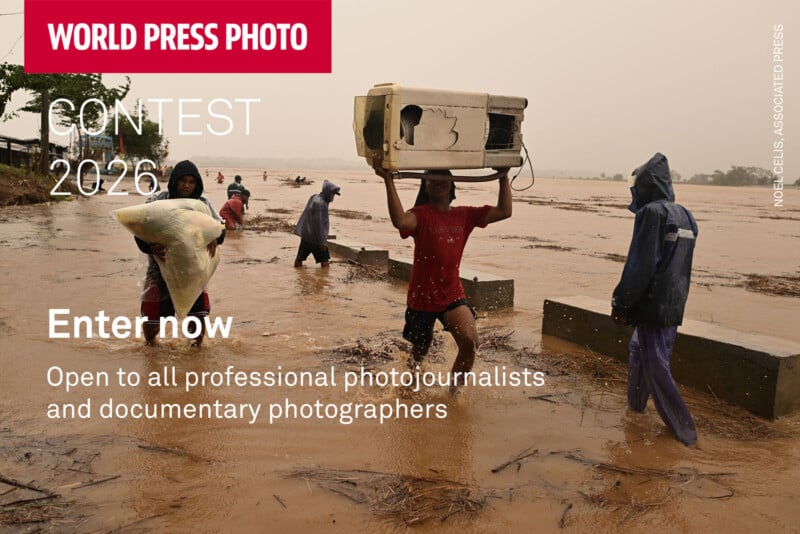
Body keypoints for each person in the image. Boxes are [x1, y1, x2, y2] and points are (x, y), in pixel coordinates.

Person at [372, 155, 512, 392]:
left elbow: (504, 211)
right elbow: (401, 222)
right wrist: (388, 180)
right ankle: (408, 389)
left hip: (451, 295)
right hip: (421, 298)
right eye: (431, 180)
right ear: (425, 186)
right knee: (419, 353)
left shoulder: (465, 215)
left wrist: (503, 176)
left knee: (470, 342)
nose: (436, 183)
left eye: (442, 179)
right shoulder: (420, 214)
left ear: (451, 185)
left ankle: (453, 394)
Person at [611, 152, 698, 446]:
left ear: (646, 186)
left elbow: (641, 264)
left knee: (655, 363)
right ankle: (635, 409)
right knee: (640, 351)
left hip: (652, 304)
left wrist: (621, 304)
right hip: (674, 302)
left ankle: (684, 432)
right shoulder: (685, 214)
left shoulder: (652, 214)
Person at [135, 160, 225, 347]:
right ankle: (151, 353)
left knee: (197, 321)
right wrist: (150, 246)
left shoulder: (203, 203)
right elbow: (139, 229)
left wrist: (215, 235)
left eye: (192, 182)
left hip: (192, 272)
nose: (186, 185)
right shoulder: (157, 200)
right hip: (159, 270)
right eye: (183, 180)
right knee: (152, 322)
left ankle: (196, 358)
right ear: (174, 180)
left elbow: (220, 227)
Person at [293, 179, 341, 268]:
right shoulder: (321, 204)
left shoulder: (314, 197)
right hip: (316, 238)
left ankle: (298, 277)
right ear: (328, 193)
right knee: (325, 263)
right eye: (333, 194)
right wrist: (322, 242)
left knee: (299, 259)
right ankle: (323, 281)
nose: (333, 197)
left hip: (306, 235)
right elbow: (319, 224)